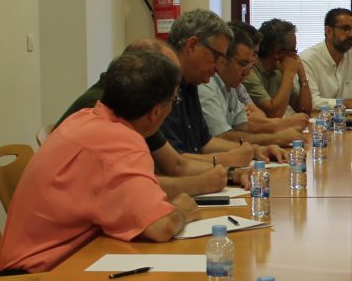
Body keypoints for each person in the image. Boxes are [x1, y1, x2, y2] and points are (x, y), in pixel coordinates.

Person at [0, 50, 198, 274]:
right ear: (155, 112)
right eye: (174, 100)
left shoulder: (84, 117)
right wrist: (181, 211)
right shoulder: (121, 142)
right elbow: (161, 226)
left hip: (54, 262)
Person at [57, 38, 228, 198]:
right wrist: (199, 185)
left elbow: (176, 164)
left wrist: (230, 173)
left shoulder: (134, 107)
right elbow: (135, 189)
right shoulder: (105, 107)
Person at [161, 9, 286, 165]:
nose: (219, 66)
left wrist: (254, 149)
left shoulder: (191, 82)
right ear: (192, 46)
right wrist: (227, 164)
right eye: (216, 56)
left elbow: (205, 143)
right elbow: (173, 163)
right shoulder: (162, 86)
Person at [198, 26, 306, 147]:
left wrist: (279, 131)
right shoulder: (206, 85)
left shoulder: (230, 85)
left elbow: (244, 126)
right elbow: (222, 137)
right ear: (222, 59)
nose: (247, 72)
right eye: (242, 64)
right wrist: (275, 138)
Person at [243, 18, 313, 118]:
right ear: (277, 52)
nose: (296, 57)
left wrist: (302, 76)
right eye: (293, 50)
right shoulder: (248, 71)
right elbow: (275, 114)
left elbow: (304, 111)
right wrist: (289, 74)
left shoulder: (278, 71)